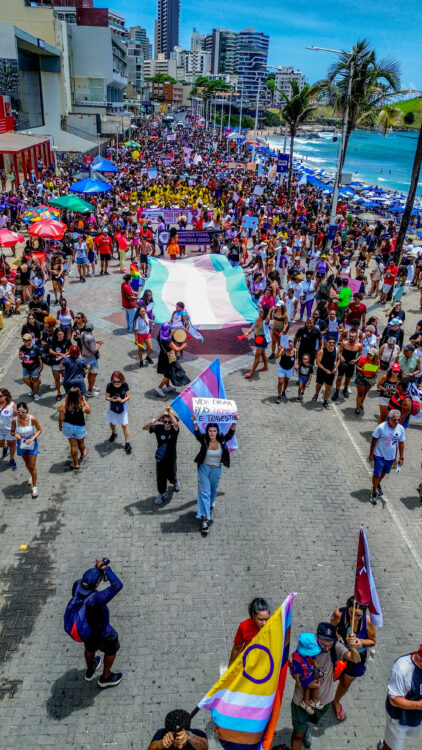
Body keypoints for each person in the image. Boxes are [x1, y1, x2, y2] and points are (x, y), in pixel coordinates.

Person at [290, 622, 360, 750]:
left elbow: (355, 659)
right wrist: (306, 683)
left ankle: (305, 728)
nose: (326, 648)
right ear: (317, 638)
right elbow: (294, 669)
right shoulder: (306, 645)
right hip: (300, 701)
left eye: (329, 645)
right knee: (297, 735)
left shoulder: (335, 647)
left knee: (309, 721)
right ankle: (302, 731)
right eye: (323, 644)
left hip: (323, 701)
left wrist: (353, 647)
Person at [70, 558, 123, 688]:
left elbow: (89, 581)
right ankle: (106, 677)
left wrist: (96, 571)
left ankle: (90, 669)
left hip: (86, 630)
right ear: (97, 583)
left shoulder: (77, 585)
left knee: (89, 648)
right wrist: (105, 568)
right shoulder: (97, 599)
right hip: (103, 633)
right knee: (111, 650)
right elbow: (117, 585)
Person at [330, 597, 377, 718]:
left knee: (345, 683)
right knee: (330, 677)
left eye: (358, 615)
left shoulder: (369, 622)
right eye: (351, 613)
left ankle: (336, 700)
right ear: (347, 608)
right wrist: (337, 634)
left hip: (357, 658)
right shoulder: (339, 614)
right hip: (339, 653)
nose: (354, 618)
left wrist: (361, 642)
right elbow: (330, 629)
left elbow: (372, 641)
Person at [192, 417, 237, 535]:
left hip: (216, 469)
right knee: (204, 493)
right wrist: (195, 421)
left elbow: (231, 433)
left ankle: (209, 507)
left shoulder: (222, 440)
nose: (212, 433)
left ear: (217, 432)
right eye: (210, 430)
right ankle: (204, 519)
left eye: (214, 431)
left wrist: (234, 421)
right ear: (207, 431)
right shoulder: (204, 440)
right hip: (203, 469)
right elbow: (197, 433)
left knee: (213, 491)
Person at [378, 644, 422, 750]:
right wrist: (419, 705)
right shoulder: (402, 669)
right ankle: (385, 745)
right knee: (393, 746)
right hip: (399, 718)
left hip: (416, 715)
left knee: (407, 734)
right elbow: (394, 700)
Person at [368, 409, 405, 504]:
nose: (396, 422)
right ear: (389, 418)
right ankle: (374, 492)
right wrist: (371, 453)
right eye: (394, 420)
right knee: (377, 474)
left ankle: (377, 483)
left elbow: (401, 443)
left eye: (398, 420)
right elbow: (374, 440)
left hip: (390, 457)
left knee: (384, 472)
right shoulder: (381, 427)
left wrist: (401, 457)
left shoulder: (400, 429)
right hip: (379, 454)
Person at [148, 405, 180, 505]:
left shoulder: (174, 430)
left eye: (169, 422)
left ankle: (174, 482)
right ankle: (162, 494)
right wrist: (151, 423)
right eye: (165, 421)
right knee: (161, 477)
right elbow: (144, 428)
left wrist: (169, 412)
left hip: (171, 458)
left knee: (171, 474)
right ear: (162, 421)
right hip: (161, 458)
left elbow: (176, 424)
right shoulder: (158, 428)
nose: (167, 424)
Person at [10, 401, 42, 497]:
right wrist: (15, 434)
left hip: (32, 443)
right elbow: (12, 431)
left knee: (32, 465)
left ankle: (35, 487)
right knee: (27, 462)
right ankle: (32, 476)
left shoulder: (32, 419)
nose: (20, 414)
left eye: (22, 412)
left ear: (26, 410)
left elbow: (39, 430)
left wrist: (32, 438)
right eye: (18, 412)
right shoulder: (14, 420)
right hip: (21, 444)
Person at [229, 598, 271, 666]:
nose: (264, 623)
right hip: (248, 664)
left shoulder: (273, 625)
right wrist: (230, 668)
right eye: (260, 619)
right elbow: (236, 649)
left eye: (266, 619)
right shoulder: (244, 626)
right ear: (253, 615)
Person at [290, 633, 324, 715]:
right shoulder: (297, 659)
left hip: (309, 670)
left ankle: (306, 702)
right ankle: (311, 701)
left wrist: (316, 665)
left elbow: (313, 658)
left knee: (309, 687)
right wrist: (298, 681)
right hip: (302, 676)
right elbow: (296, 672)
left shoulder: (309, 652)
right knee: (315, 685)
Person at [59, 386, 90, 469]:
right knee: (81, 443)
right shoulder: (81, 404)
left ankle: (75, 463)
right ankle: (83, 453)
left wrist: (60, 426)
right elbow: (88, 411)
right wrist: (84, 400)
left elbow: (61, 418)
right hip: (79, 427)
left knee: (73, 446)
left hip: (68, 426)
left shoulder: (64, 404)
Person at [155, 325, 189, 397]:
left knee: (167, 373)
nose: (171, 330)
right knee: (168, 374)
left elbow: (169, 334)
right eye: (170, 330)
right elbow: (177, 349)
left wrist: (172, 333)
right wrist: (183, 346)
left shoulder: (160, 336)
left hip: (162, 356)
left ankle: (168, 387)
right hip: (169, 358)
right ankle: (159, 388)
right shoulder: (168, 341)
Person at [105, 371, 132, 454]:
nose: (116, 383)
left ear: (122, 380)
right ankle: (114, 433)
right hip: (112, 406)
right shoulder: (109, 385)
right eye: (114, 381)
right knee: (112, 422)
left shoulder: (125, 385)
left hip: (122, 406)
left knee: (125, 424)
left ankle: (127, 442)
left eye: (118, 381)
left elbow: (128, 396)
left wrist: (122, 400)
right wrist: (112, 399)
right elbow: (106, 397)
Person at [331, 330, 361, 401]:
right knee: (339, 378)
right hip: (343, 362)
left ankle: (345, 389)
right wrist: (341, 357)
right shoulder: (344, 343)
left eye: (353, 336)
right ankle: (337, 392)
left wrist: (356, 360)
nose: (351, 337)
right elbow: (339, 351)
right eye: (350, 336)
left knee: (348, 378)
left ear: (356, 337)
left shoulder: (359, 345)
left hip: (351, 363)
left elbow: (360, 354)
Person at [312, 337, 340, 409]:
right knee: (319, 384)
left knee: (328, 387)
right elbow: (317, 362)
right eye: (330, 342)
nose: (332, 344)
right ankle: (316, 394)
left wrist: (336, 368)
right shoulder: (322, 351)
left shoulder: (337, 350)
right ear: (327, 343)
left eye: (333, 342)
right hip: (322, 370)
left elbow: (339, 359)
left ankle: (325, 401)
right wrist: (325, 369)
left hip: (331, 371)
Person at [244, 306, 270, 379]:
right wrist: (248, 332)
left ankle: (252, 372)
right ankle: (266, 366)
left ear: (265, 313)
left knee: (257, 355)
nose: (260, 313)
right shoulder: (256, 318)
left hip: (263, 339)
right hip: (257, 338)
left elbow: (268, 319)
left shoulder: (266, 321)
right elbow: (253, 327)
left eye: (262, 312)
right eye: (259, 311)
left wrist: (270, 311)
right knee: (262, 353)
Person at [80, 322, 103, 397]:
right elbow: (94, 350)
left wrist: (95, 341)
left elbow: (87, 342)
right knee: (93, 374)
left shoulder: (82, 334)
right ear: (92, 329)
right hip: (92, 359)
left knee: (90, 374)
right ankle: (90, 391)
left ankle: (91, 386)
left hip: (84, 356)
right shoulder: (90, 338)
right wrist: (99, 344)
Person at [355, 348, 380, 415]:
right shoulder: (363, 359)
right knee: (360, 394)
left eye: (371, 355)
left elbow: (378, 368)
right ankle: (358, 408)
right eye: (368, 354)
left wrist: (377, 370)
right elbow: (357, 367)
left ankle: (361, 403)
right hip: (362, 378)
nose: (369, 355)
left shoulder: (377, 361)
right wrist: (361, 369)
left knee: (365, 393)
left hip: (370, 379)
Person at [19, 333, 43, 401]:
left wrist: (41, 367)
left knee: (35, 380)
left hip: (35, 367)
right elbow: (20, 357)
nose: (25, 342)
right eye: (24, 340)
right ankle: (33, 388)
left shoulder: (35, 348)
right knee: (25, 380)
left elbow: (40, 358)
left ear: (30, 340)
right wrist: (21, 356)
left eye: (26, 340)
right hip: (26, 366)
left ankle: (35, 393)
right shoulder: (22, 348)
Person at [48, 327, 70, 401]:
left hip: (63, 362)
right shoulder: (51, 339)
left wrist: (65, 354)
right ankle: (59, 393)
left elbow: (70, 349)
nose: (61, 336)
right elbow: (50, 351)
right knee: (57, 379)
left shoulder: (66, 340)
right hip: (54, 362)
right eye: (59, 335)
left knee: (65, 377)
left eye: (62, 334)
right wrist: (59, 354)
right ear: (56, 334)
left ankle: (68, 391)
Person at [0, 388, 17, 470]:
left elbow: (18, 416)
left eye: (0, 396)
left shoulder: (12, 405)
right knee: (0, 444)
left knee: (12, 445)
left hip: (9, 430)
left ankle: (12, 459)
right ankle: (5, 446)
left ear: (6, 396)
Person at [276, 339, 297, 403]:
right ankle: (279, 396)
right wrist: (279, 350)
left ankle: (284, 391)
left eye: (292, 346)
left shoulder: (295, 351)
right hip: (282, 368)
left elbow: (297, 358)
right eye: (289, 346)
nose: (291, 347)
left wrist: (296, 364)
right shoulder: (283, 350)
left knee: (286, 381)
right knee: (280, 382)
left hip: (289, 369)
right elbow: (276, 357)